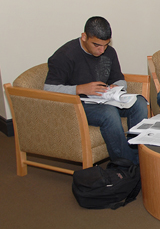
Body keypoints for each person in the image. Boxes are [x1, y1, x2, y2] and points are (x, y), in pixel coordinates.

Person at [44, 16, 148, 165]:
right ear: (84, 36)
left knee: (139, 102)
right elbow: (48, 89)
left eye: (105, 45)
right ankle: (127, 165)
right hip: (79, 105)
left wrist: (117, 87)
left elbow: (118, 78)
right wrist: (79, 89)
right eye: (96, 45)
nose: (101, 50)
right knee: (109, 114)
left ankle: (138, 157)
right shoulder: (65, 55)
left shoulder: (109, 52)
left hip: (104, 99)